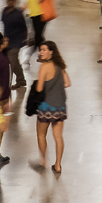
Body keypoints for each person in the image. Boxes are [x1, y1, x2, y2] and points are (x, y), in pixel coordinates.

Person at [34, 41, 70, 173]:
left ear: (51, 51)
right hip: (60, 106)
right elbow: (67, 83)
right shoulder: (60, 66)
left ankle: (43, 161)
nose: (41, 52)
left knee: (41, 135)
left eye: (44, 49)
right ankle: (58, 165)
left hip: (46, 107)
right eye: (41, 49)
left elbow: (39, 88)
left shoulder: (44, 67)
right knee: (58, 136)